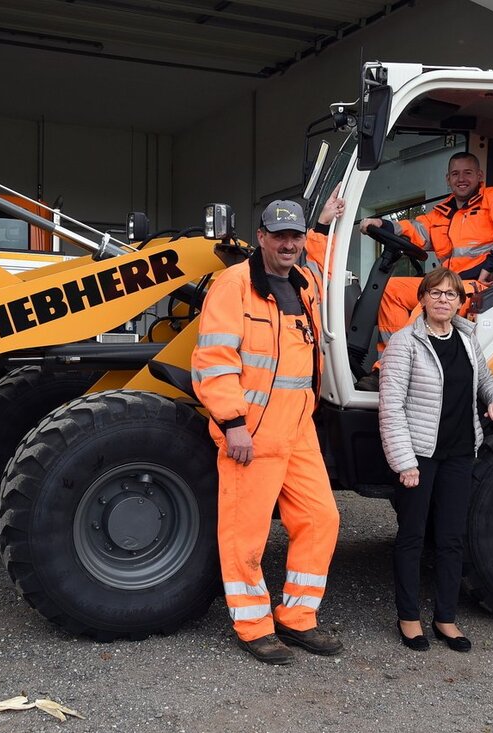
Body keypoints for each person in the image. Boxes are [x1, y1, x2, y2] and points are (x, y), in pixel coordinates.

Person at [191, 198, 344, 665]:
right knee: (246, 535)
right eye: (279, 235)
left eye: (295, 236)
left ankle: (298, 617)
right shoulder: (233, 285)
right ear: (260, 237)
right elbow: (214, 360)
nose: (289, 244)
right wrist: (233, 424)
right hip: (251, 432)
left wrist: (322, 222)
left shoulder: (306, 280)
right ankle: (253, 625)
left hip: (299, 429)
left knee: (322, 520)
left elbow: (323, 255)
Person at [378, 268, 493, 652]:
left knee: (452, 539)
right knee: (412, 537)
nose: (443, 301)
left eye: (450, 295)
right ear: (422, 299)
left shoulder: (467, 339)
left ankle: (446, 619)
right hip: (420, 455)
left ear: (459, 302)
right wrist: (404, 462)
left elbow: (486, 380)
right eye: (435, 294)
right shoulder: (405, 343)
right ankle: (408, 618)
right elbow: (391, 408)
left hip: (459, 452)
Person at [359, 152, 493, 380]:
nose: (461, 178)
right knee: (390, 289)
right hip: (450, 283)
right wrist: (381, 223)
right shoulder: (443, 212)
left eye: (468, 173)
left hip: (486, 285)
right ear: (448, 179)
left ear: (479, 175)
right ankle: (391, 363)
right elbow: (415, 230)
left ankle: (396, 374)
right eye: (455, 174)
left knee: (429, 301)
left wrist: (492, 265)